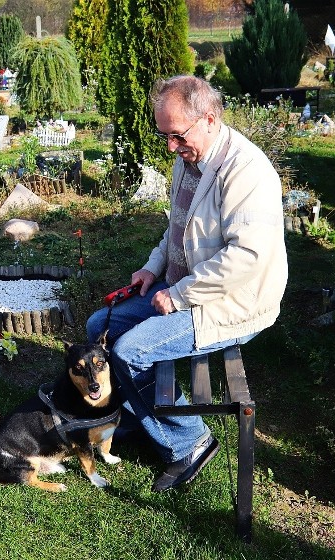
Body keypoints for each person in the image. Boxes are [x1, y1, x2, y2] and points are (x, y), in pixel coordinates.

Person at [86, 75, 287, 492]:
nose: (170, 147)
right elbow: (175, 230)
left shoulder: (248, 171)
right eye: (165, 136)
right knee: (97, 329)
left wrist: (177, 296)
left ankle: (189, 443)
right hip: (182, 289)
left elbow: (246, 258)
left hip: (232, 303)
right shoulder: (190, 159)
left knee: (129, 351)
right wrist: (151, 267)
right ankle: (148, 420)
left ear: (209, 119)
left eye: (176, 136)